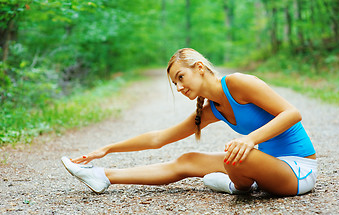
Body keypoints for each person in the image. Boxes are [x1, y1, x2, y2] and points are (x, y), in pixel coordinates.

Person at [61, 48, 317, 196]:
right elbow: (158, 138)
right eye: (175, 83)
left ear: (200, 68)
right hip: (268, 164)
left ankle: (235, 185)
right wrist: (106, 149)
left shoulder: (239, 83)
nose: (180, 87)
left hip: (297, 170)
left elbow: (292, 113)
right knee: (188, 160)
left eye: (182, 77)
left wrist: (249, 139)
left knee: (237, 155)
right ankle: (103, 176)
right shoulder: (211, 109)